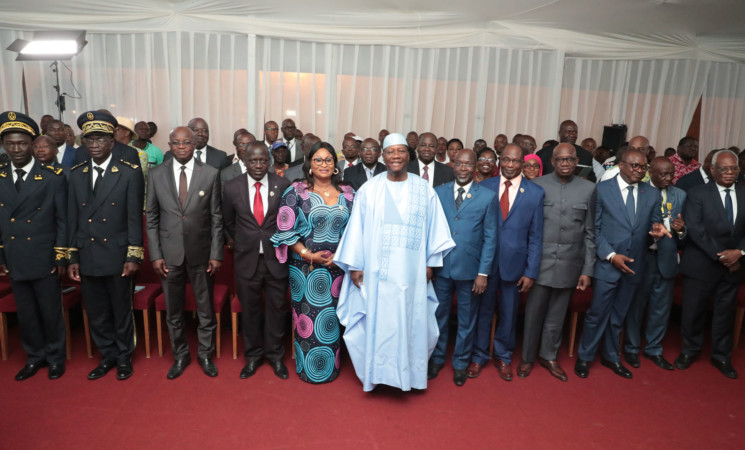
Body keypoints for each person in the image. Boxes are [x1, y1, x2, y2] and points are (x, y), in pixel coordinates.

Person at [334, 133, 455, 392]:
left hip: (412, 274)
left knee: (411, 322)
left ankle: (409, 376)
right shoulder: (370, 189)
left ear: (408, 156)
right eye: (391, 152)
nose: (396, 156)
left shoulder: (424, 189)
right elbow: (357, 228)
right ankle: (377, 375)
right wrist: (355, 265)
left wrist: (430, 264)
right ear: (383, 156)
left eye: (401, 151)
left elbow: (435, 230)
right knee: (379, 323)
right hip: (377, 274)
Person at [575, 148, 671, 379]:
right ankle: (585, 357)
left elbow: (654, 225)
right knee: (597, 313)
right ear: (621, 165)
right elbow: (594, 229)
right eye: (634, 166)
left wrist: (657, 231)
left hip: (635, 265)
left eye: (643, 167)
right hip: (608, 264)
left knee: (619, 315)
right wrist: (610, 255)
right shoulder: (603, 190)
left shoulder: (652, 193)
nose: (639, 170)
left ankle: (611, 357)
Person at [67, 111, 144, 381]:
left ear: (113, 142)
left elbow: (135, 216)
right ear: (84, 143)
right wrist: (72, 256)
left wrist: (133, 254)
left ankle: (124, 357)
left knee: (121, 310)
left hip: (117, 253)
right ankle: (107, 355)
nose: (95, 144)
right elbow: (72, 217)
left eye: (100, 138)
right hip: (88, 253)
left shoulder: (128, 173)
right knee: (96, 311)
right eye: (90, 139)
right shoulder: (76, 174)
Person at [270, 143, 354, 383]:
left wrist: (342, 257)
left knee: (330, 318)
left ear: (335, 165)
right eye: (318, 160)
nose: (324, 164)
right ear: (309, 164)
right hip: (304, 269)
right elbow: (284, 229)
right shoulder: (296, 191)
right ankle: (309, 370)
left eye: (328, 160)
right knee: (307, 317)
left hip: (338, 269)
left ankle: (330, 368)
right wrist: (308, 254)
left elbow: (357, 230)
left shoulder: (348, 193)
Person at [146, 126, 224, 380]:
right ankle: (180, 355)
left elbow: (216, 218)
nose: (181, 147)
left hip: (201, 253)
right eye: (176, 143)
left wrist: (216, 253)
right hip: (169, 255)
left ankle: (205, 355)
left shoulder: (210, 173)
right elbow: (152, 218)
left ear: (194, 145)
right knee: (174, 309)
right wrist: (156, 255)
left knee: (205, 309)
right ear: (169, 145)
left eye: (186, 142)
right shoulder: (156, 174)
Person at [0, 111, 67, 381]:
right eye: (10, 143)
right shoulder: (1, 175)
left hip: (43, 255)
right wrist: (1, 254)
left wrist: (60, 256)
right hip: (14, 255)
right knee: (25, 311)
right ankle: (34, 356)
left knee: (50, 310)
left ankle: (55, 357)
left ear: (32, 144)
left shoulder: (51, 176)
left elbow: (63, 219)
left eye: (22, 143)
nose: (16, 149)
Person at [519, 144, 595, 381]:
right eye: (560, 159)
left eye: (569, 159)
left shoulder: (589, 189)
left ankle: (549, 356)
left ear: (576, 162)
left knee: (556, 316)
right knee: (533, 314)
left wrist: (587, 269)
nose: (565, 163)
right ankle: (527, 358)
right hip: (540, 264)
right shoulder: (537, 185)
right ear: (552, 161)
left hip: (570, 264)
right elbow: (527, 229)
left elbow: (590, 232)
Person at [468, 144, 544, 381]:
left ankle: (503, 356)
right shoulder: (485, 186)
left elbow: (536, 235)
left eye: (516, 161)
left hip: (516, 266)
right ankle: (479, 356)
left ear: (523, 163)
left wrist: (531, 271)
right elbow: (476, 230)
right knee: (482, 312)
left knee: (509, 314)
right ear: (500, 161)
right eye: (507, 160)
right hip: (486, 265)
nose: (510, 165)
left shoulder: (535, 193)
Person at [223, 142, 292, 379]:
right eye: (254, 161)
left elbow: (288, 220)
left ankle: (275, 356)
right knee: (249, 311)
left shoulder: (283, 185)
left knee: (277, 309)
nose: (259, 165)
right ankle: (253, 357)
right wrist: (239, 241)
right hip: (246, 259)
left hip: (276, 259)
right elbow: (228, 222)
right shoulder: (232, 187)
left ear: (270, 160)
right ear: (245, 160)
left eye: (263, 160)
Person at [430, 149, 498, 386]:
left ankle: (460, 363)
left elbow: (491, 237)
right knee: (438, 315)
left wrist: (483, 272)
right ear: (453, 165)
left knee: (467, 319)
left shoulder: (487, 196)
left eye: (468, 164)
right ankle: (437, 359)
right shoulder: (438, 193)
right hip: (442, 266)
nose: (462, 168)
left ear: (475, 167)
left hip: (471, 270)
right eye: (459, 163)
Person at [676, 149, 745, 379]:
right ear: (713, 170)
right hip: (702, 264)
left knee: (725, 313)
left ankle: (721, 356)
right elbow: (696, 229)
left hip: (734, 266)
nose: (729, 173)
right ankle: (690, 351)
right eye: (723, 169)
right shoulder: (697, 194)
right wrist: (722, 255)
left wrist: (740, 252)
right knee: (693, 312)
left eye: (733, 168)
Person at [623, 157, 686, 371]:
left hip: (667, 258)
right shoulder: (640, 191)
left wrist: (680, 229)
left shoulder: (681, 195)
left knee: (661, 308)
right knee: (636, 306)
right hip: (642, 257)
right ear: (652, 172)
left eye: (672, 174)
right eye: (663, 174)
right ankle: (631, 349)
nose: (668, 178)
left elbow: (685, 234)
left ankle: (653, 349)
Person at [163, 118, 230, 170]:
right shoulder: (170, 155)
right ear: (188, 132)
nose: (200, 134)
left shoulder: (220, 156)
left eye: (204, 131)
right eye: (195, 130)